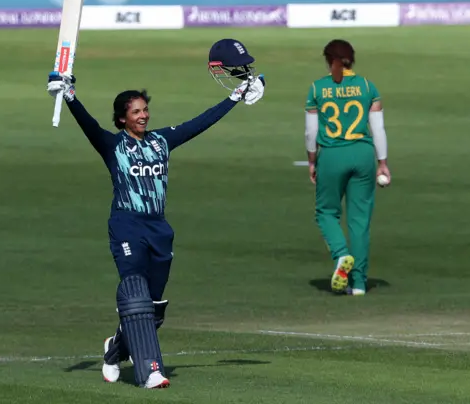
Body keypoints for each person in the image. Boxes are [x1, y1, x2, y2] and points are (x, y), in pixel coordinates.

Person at [46, 39, 265, 388]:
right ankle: (151, 371)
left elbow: (199, 123)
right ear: (122, 119)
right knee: (134, 292)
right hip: (127, 225)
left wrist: (236, 96)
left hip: (159, 229)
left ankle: (115, 349)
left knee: (154, 307)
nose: (144, 115)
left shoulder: (162, 141)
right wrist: (68, 95)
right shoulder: (112, 145)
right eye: (136, 112)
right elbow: (88, 125)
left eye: (145, 109)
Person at [304, 39, 391, 296]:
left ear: (329, 60)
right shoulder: (367, 86)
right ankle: (360, 284)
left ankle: (341, 254)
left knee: (326, 213)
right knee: (360, 222)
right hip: (363, 155)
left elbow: (311, 133)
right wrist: (382, 163)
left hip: (332, 155)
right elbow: (378, 129)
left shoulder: (318, 88)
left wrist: (311, 160)